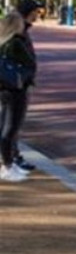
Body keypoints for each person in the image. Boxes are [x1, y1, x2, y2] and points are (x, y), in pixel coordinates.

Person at [0, 11, 37, 182]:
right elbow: (30, 64)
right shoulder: (16, 42)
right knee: (11, 128)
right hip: (16, 88)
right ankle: (7, 165)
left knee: (4, 126)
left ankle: (7, 163)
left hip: (3, 88)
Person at [10, 0, 41, 172]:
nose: (38, 15)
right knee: (12, 123)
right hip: (15, 82)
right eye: (36, 12)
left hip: (17, 80)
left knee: (11, 123)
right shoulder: (18, 29)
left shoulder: (19, 27)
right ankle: (11, 159)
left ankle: (13, 156)